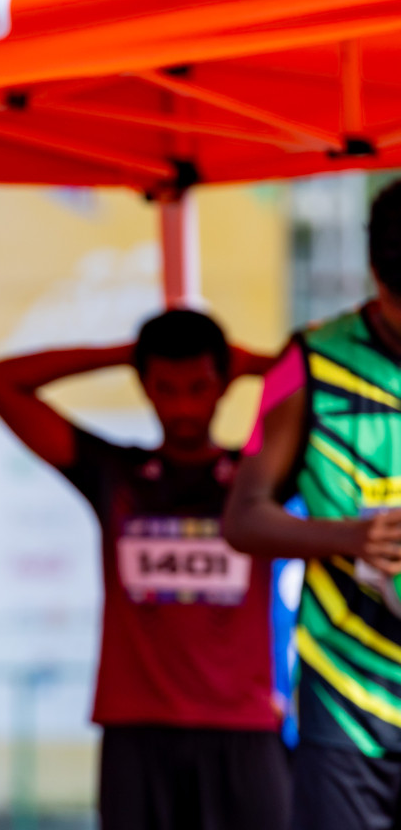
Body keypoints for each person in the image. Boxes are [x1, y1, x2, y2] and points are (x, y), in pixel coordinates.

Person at [0, 310, 287, 830]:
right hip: (136, 733)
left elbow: (339, 387)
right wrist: (124, 354)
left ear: (224, 384)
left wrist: (252, 363)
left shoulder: (258, 481)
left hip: (244, 730)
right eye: (165, 387)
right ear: (144, 386)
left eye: (199, 386)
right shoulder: (114, 473)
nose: (184, 406)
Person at [224, 178, 401, 830]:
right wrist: (352, 539)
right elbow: (242, 518)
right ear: (379, 281)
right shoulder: (308, 365)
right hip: (347, 698)